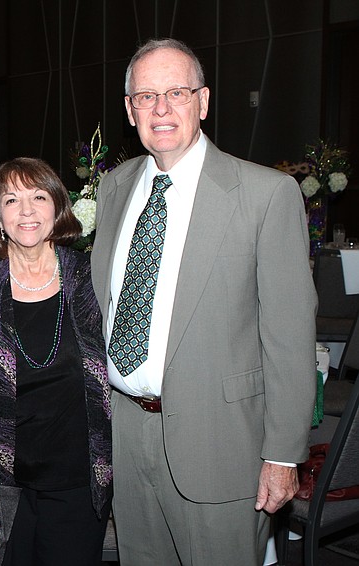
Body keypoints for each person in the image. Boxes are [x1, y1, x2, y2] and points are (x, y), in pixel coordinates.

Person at [90, 38, 316, 564]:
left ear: (204, 101)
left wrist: (283, 456)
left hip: (222, 444)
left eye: (177, 92)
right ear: (129, 110)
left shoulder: (265, 195)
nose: (161, 108)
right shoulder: (115, 187)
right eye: (146, 96)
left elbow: (289, 340)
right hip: (129, 434)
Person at [0, 157, 112, 566]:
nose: (27, 211)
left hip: (78, 483)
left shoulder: (94, 281)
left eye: (39, 197)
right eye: (12, 200)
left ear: (58, 208)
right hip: (0, 489)